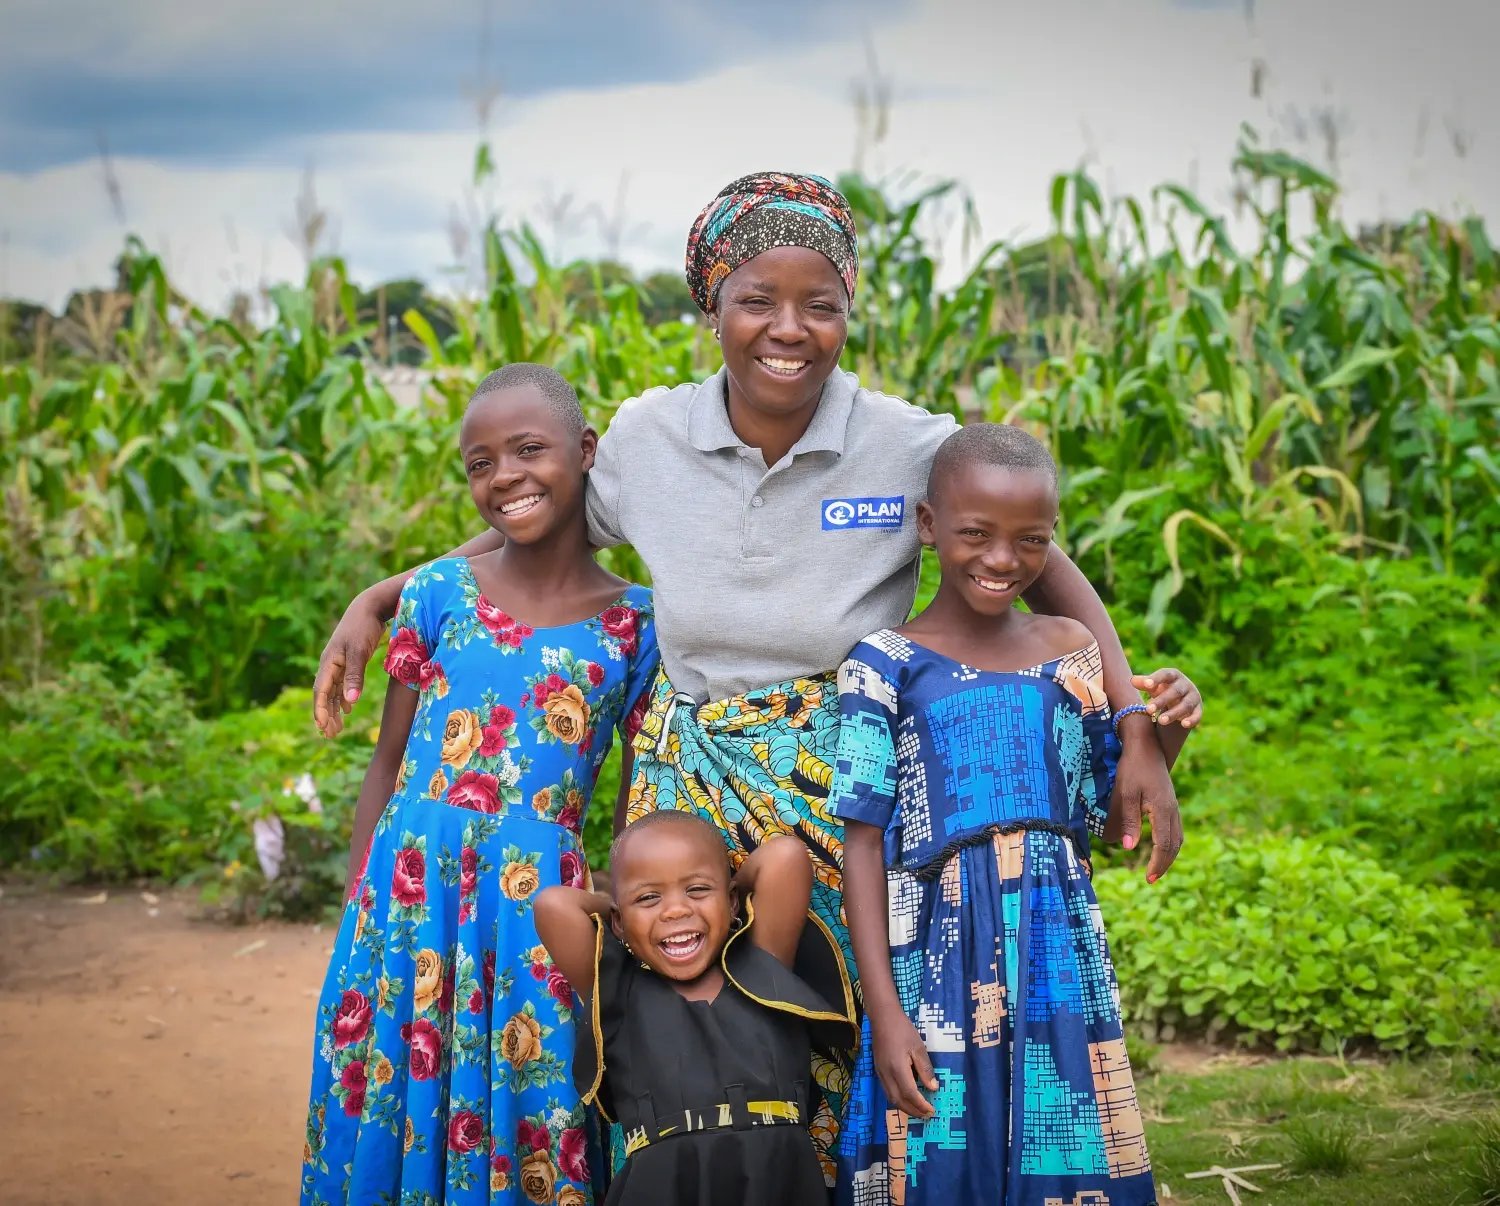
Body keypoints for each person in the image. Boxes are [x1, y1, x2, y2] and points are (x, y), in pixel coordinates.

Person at [312, 171, 1200, 1178]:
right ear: (713, 306)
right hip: (685, 792)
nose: (789, 329)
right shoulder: (650, 437)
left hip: (843, 786)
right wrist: (387, 593)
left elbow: (1038, 555)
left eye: (821, 304)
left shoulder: (906, 443)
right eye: (757, 300)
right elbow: (537, 523)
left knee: (833, 1032)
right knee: (677, 1038)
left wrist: (1131, 717)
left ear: (849, 312)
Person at [300, 364, 659, 1205]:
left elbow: (630, 809)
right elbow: (388, 766)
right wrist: (359, 906)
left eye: (529, 450)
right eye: (479, 463)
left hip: (537, 913)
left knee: (532, 1107)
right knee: (391, 1099)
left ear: (586, 450)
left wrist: (619, 926)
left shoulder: (638, 623)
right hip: (408, 901)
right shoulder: (437, 593)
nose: (505, 476)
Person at [831, 424, 1183, 1205]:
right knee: (942, 1142)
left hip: (1055, 953)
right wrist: (884, 1011)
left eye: (1031, 540)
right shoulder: (883, 664)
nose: (1002, 559)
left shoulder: (1071, 649)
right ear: (929, 526)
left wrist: (1166, 731)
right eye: (976, 534)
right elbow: (861, 846)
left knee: (1064, 1131)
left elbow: (1111, 816)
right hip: (934, 955)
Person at [534, 815, 856, 1206]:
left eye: (697, 889)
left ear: (732, 899)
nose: (675, 910)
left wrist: (653, 902)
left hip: (778, 1179)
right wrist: (620, 913)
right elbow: (553, 905)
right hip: (662, 1188)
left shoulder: (761, 964)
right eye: (649, 898)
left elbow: (785, 856)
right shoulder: (620, 991)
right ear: (617, 921)